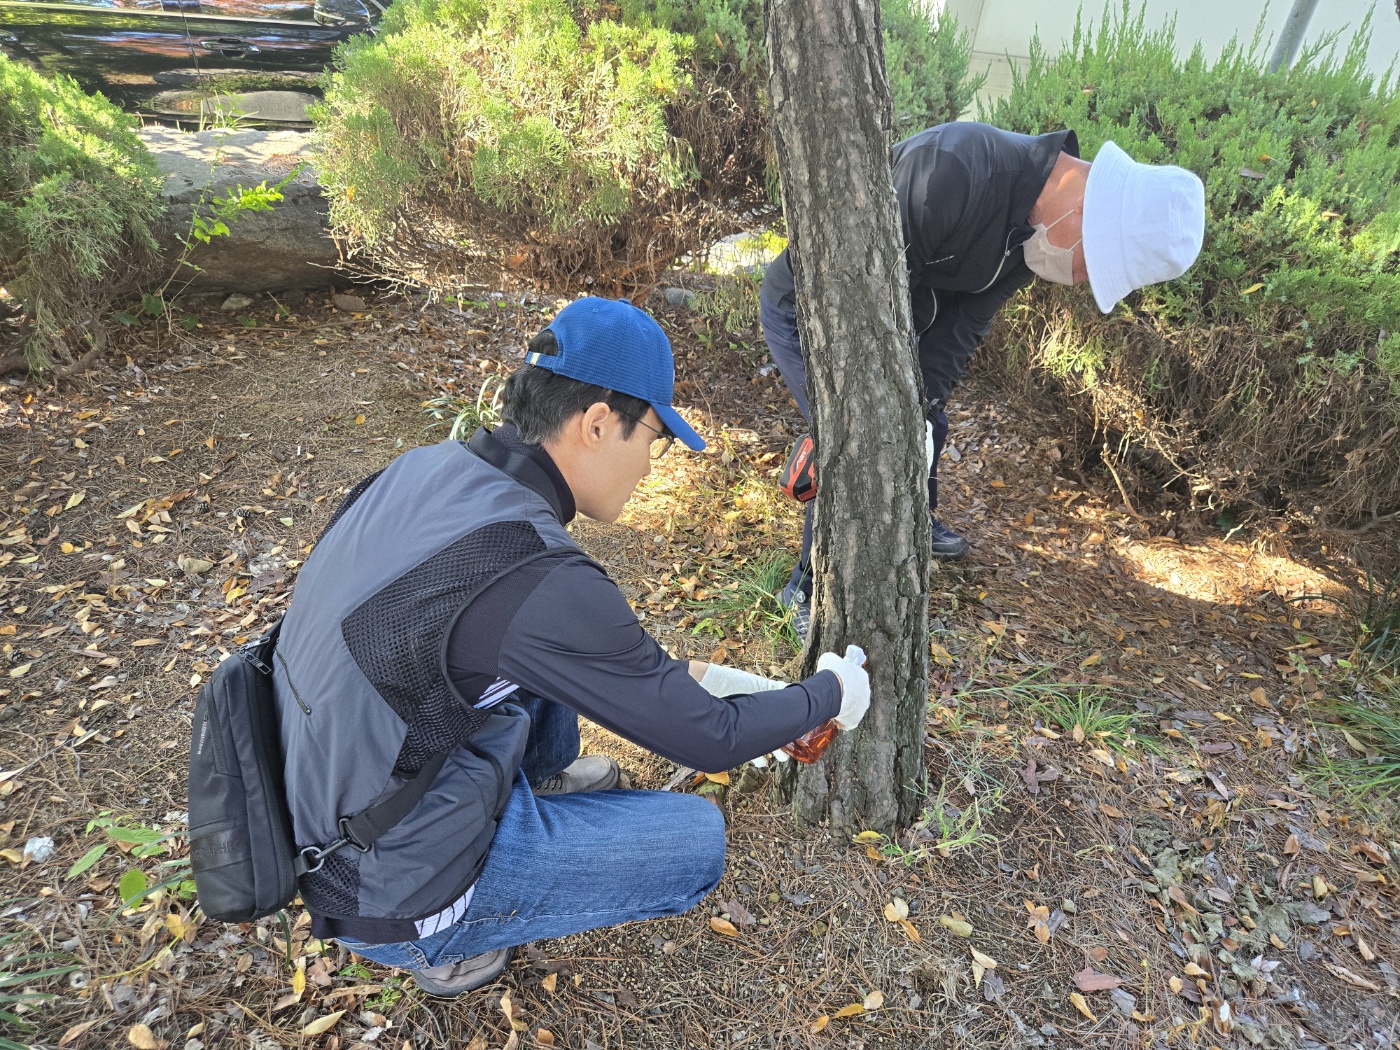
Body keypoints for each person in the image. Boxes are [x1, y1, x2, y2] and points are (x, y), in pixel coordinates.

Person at [269, 297, 871, 997]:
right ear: (597, 423)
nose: (651, 466)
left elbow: (614, 666)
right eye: (655, 439)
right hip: (377, 883)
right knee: (697, 840)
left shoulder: (430, 470)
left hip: (325, 791)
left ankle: (541, 779)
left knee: (515, 661)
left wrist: (730, 688)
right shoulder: (531, 573)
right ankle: (436, 940)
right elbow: (710, 739)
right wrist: (830, 692)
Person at [762, 122, 1206, 632]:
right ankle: (806, 590)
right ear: (1085, 210)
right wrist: (874, 421)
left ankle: (914, 522)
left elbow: (964, 326)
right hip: (812, 310)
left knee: (926, 422)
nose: (1079, 278)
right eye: (1092, 265)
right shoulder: (951, 171)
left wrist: (923, 409)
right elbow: (857, 302)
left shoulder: (1032, 230)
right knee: (856, 440)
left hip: (902, 321)